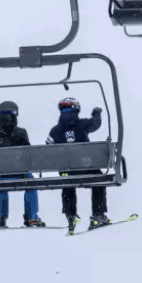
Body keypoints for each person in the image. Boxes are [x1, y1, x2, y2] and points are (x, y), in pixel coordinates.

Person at [47, 97, 110, 232]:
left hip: (67, 171)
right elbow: (96, 124)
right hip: (86, 168)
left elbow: (48, 148)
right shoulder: (82, 124)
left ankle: (70, 215)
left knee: (67, 182)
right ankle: (98, 214)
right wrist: (96, 113)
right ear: (76, 110)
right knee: (98, 179)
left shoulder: (55, 130)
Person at [0, 101, 46, 229]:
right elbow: (28, 155)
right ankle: (31, 217)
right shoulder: (20, 133)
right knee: (31, 184)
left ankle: (0, 218)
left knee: (0, 185)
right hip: (20, 174)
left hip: (0, 175)